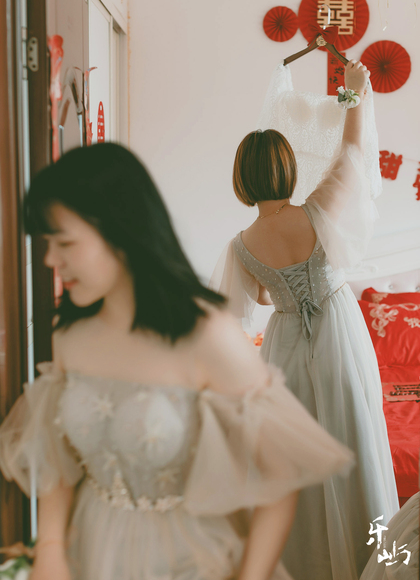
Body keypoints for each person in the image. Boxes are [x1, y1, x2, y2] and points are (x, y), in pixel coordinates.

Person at [0, 143, 352, 580]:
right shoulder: (68, 337)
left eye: (64, 243)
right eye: (47, 244)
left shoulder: (207, 335)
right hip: (91, 548)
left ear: (120, 231)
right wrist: (51, 549)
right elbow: (57, 463)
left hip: (186, 557)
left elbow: (280, 479)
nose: (50, 260)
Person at [211, 61, 399, 580]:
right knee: (354, 438)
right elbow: (353, 154)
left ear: (242, 179)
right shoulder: (315, 212)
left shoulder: (241, 246)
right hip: (339, 337)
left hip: (285, 348)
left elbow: (251, 303)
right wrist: (354, 95)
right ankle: (371, 558)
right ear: (287, 169)